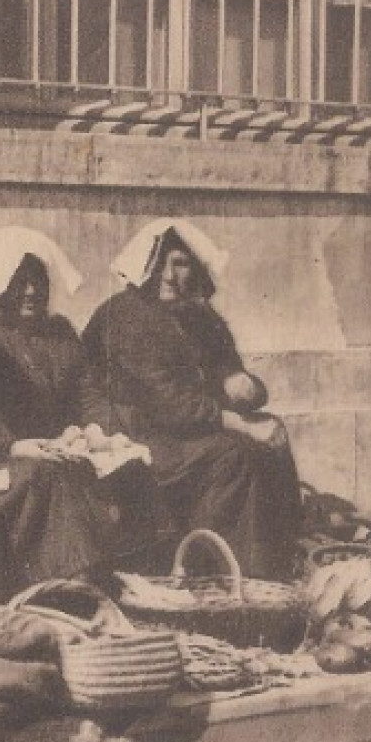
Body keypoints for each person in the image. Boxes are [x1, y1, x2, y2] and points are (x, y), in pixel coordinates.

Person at [82, 219, 302, 580]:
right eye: (160, 264)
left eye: (181, 263)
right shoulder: (126, 317)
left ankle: (281, 552)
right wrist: (240, 423)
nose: (169, 276)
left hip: (184, 432)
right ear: (143, 266)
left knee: (272, 433)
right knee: (233, 453)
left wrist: (241, 382)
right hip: (132, 437)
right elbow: (169, 403)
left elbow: (230, 370)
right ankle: (209, 568)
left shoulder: (199, 316)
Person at [0, 228, 148, 584]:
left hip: (60, 448)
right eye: (19, 282)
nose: (30, 291)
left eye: (37, 281)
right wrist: (15, 445)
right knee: (51, 476)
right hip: (4, 460)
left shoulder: (59, 332)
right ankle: (75, 580)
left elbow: (89, 391)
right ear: (1, 286)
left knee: (131, 464)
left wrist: (97, 431)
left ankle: (135, 574)